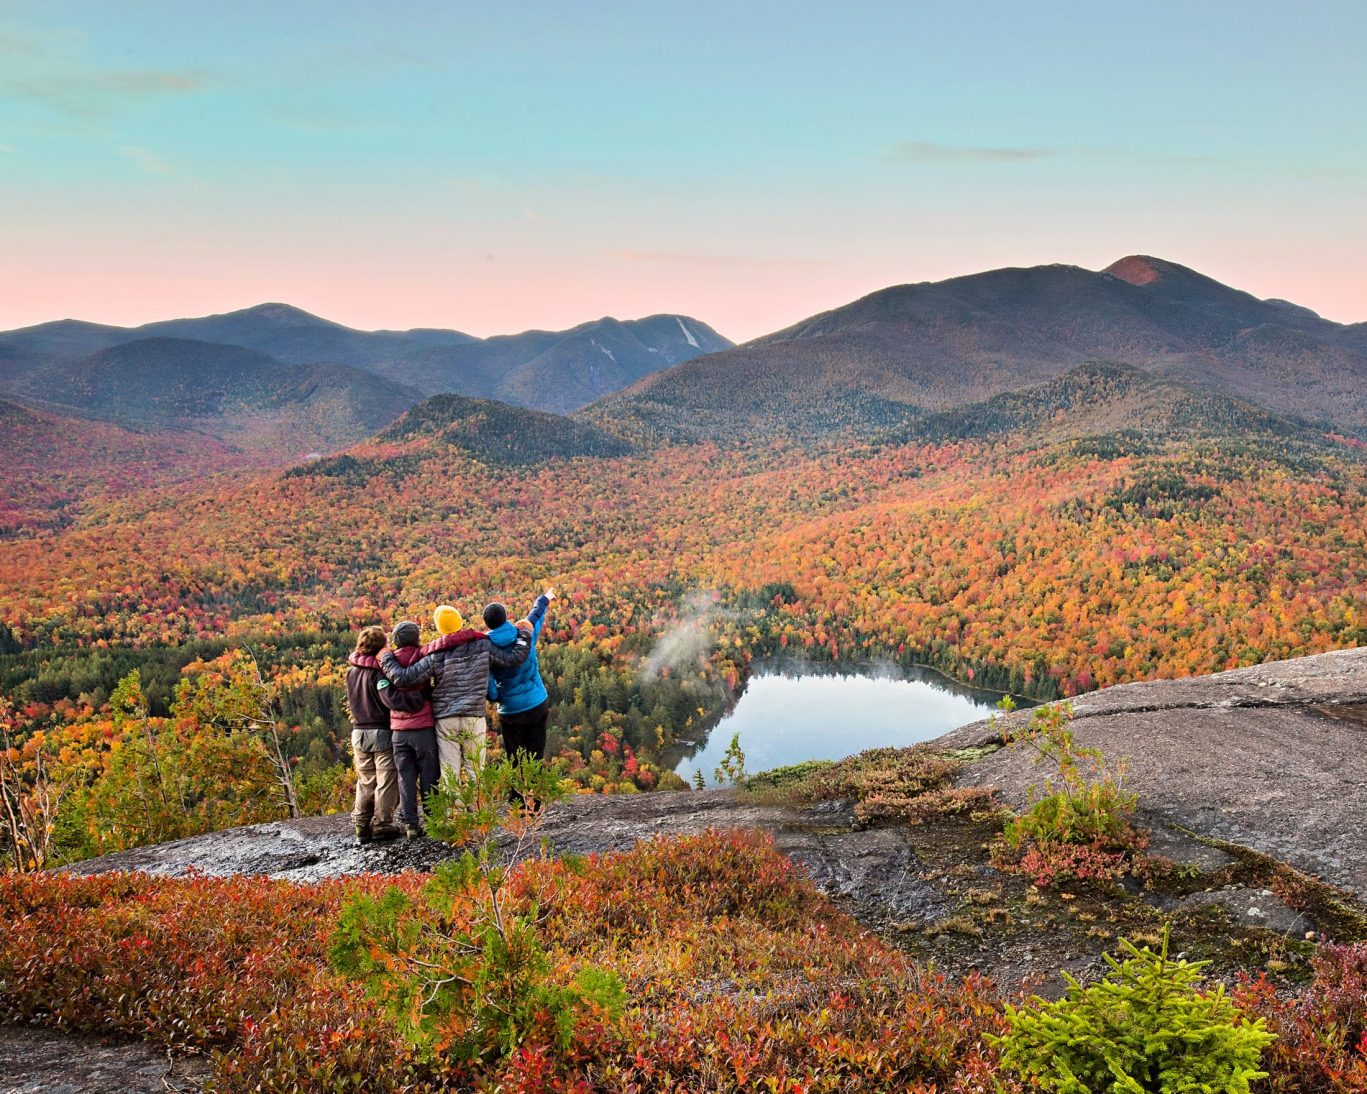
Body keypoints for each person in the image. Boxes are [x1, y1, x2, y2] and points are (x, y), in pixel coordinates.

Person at [380, 605, 531, 783]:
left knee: (449, 771)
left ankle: (454, 810)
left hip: (446, 718)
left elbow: (404, 678)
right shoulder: (482, 645)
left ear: (439, 627)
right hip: (473, 716)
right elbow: (513, 658)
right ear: (460, 621)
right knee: (475, 770)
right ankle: (477, 809)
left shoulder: (435, 654)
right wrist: (524, 634)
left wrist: (386, 658)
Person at [485, 587, 555, 771]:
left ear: (488, 624)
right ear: (505, 617)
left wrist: (500, 697)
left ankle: (517, 798)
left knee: (515, 757)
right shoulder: (524, 634)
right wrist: (545, 598)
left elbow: (491, 690)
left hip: (510, 711)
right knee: (536, 753)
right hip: (537, 702)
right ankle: (535, 798)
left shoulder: (484, 649)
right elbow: (536, 616)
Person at [345, 625, 402, 844]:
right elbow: (388, 699)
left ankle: (361, 824)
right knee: (386, 780)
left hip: (358, 731)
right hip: (380, 730)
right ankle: (383, 824)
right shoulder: (378, 673)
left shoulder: (352, 671)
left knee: (365, 780)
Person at [384, 620, 440, 840]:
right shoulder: (425, 658)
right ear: (416, 638)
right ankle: (433, 820)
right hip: (424, 727)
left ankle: (410, 824)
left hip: (399, 730)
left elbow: (386, 694)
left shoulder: (387, 663)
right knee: (429, 775)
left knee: (405, 777)